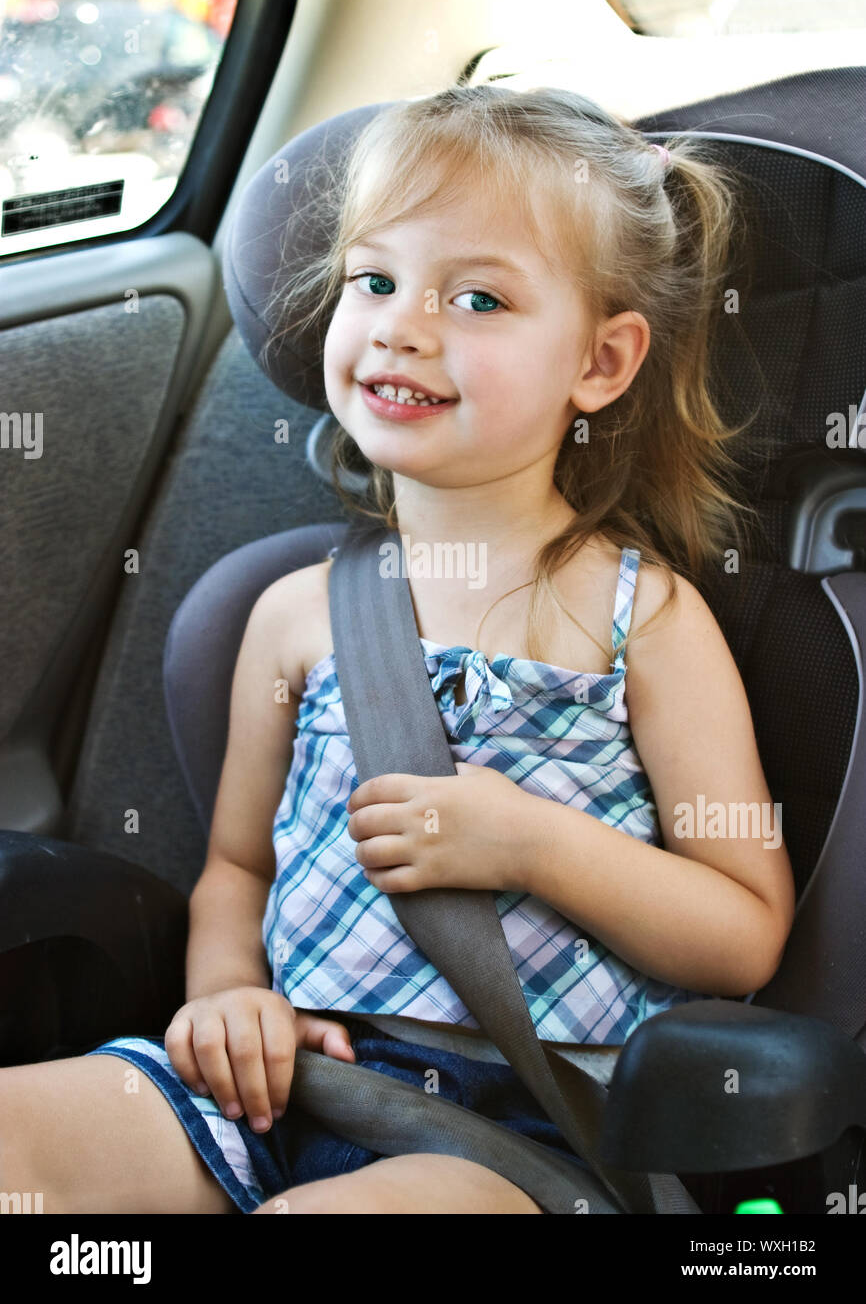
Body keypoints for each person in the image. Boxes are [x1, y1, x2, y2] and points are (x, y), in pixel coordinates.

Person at [0, 85, 796, 1215]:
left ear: (602, 362)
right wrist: (228, 994)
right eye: (373, 280)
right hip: (283, 1083)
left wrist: (527, 842)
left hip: (516, 1138)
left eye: (475, 297)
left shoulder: (644, 620)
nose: (403, 324)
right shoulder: (292, 614)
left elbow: (743, 932)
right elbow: (239, 868)